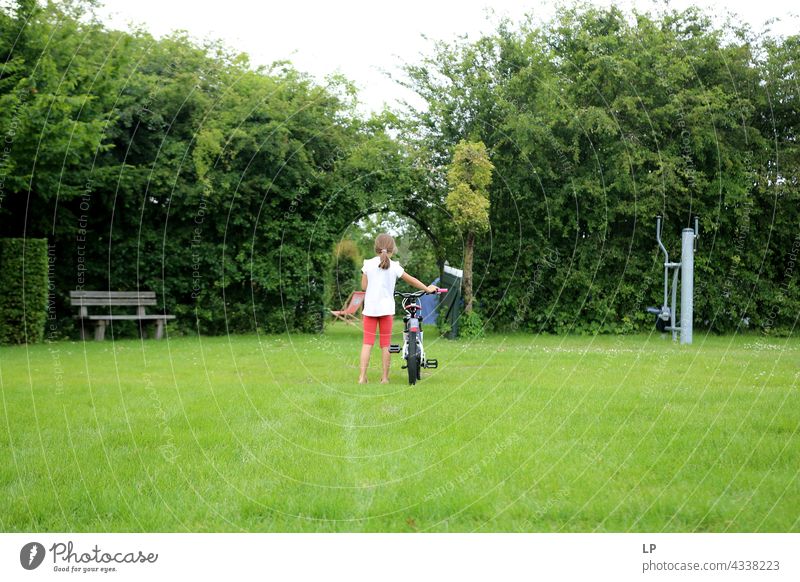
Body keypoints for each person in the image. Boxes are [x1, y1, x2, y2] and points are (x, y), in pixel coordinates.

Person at [359, 233, 437, 384]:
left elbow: (363, 287)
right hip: (386, 310)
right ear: (392, 249)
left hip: (370, 310)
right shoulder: (395, 267)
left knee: (367, 343)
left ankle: (362, 377)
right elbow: (412, 281)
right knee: (385, 344)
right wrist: (427, 289)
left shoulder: (367, 264)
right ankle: (385, 378)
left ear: (376, 248)